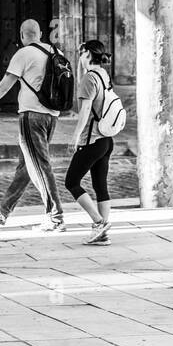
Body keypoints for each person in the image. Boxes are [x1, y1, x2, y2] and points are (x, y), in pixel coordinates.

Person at [0, 18, 66, 233]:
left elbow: (3, 88)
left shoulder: (23, 54)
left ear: (22, 34)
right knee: (27, 166)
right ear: (40, 33)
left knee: (39, 165)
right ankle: (4, 209)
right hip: (52, 116)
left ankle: (55, 217)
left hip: (31, 117)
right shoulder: (57, 53)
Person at [65, 39, 114, 245]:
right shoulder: (104, 75)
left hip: (92, 140)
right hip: (106, 140)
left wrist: (75, 137)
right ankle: (102, 234)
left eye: (80, 53)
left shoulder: (88, 78)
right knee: (100, 186)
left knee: (71, 182)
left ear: (86, 54)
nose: (78, 57)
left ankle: (98, 223)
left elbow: (85, 111)